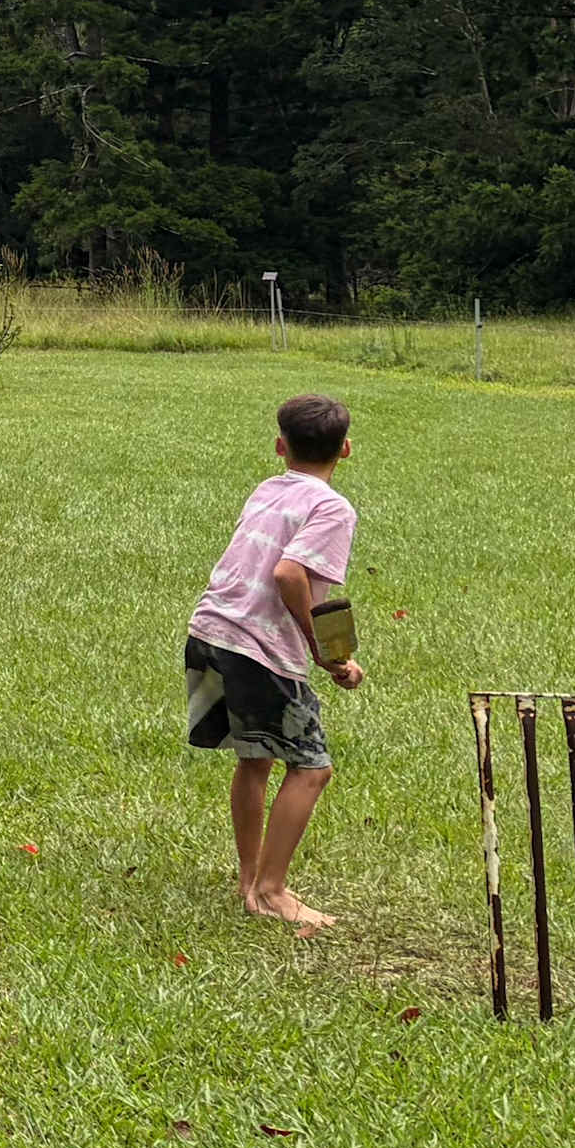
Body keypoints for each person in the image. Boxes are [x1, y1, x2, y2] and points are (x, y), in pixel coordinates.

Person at [184, 391, 366, 930]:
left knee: (254, 757)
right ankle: (270, 889)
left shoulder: (268, 488)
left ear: (280, 447)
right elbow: (290, 575)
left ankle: (249, 879)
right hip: (259, 646)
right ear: (347, 449)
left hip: (211, 629)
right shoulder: (332, 506)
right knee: (312, 768)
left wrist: (334, 651)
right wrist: (327, 655)